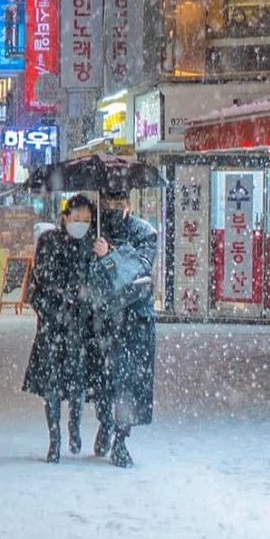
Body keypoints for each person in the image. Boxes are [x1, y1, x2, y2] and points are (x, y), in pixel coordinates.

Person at [86, 196, 158, 468]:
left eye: (119, 203)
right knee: (104, 380)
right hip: (104, 318)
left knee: (129, 383)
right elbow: (87, 272)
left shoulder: (144, 232)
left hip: (135, 320)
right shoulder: (96, 231)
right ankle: (105, 423)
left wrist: (110, 255)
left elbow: (138, 268)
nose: (113, 209)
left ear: (128, 203)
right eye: (108, 203)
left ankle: (121, 438)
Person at [22, 195, 94, 463]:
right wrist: (65, 290)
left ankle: (74, 427)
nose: (81, 225)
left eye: (86, 220)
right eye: (77, 219)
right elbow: (44, 274)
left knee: (77, 385)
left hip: (78, 325)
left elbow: (94, 277)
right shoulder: (49, 240)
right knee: (52, 386)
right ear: (66, 218)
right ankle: (55, 439)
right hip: (53, 324)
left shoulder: (91, 243)